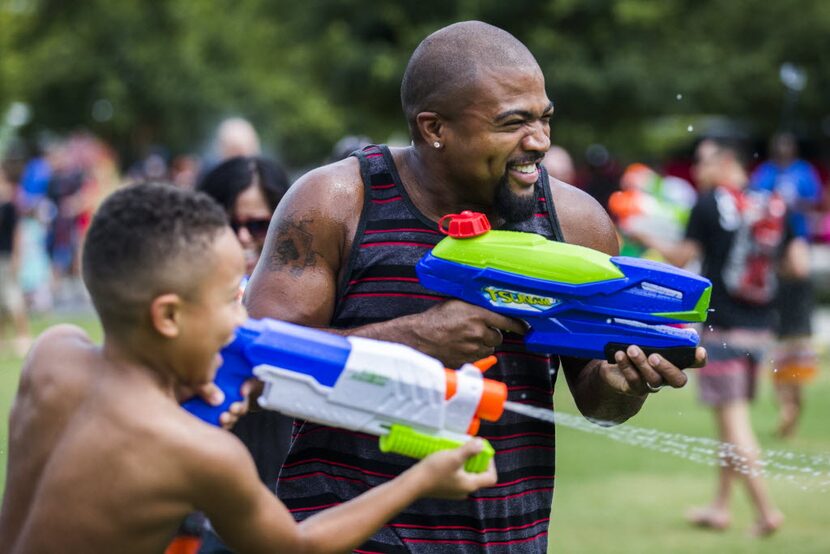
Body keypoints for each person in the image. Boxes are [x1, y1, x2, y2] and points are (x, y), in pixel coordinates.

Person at [243, 21, 703, 553]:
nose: (541, 142)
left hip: (509, 537)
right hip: (350, 536)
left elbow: (598, 401)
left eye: (544, 118)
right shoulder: (336, 202)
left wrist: (626, 385)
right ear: (435, 128)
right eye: (514, 123)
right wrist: (415, 338)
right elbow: (255, 370)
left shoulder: (576, 223)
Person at [0, 182, 496, 554]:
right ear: (168, 316)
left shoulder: (52, 354)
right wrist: (423, 478)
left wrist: (175, 390)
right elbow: (297, 547)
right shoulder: (201, 454)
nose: (244, 316)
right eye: (229, 300)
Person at [635, 137, 806, 536]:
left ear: (724, 163)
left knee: (734, 424)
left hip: (721, 329)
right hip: (760, 330)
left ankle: (766, 512)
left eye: (702, 163)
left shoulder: (709, 202)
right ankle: (720, 507)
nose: (697, 171)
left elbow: (681, 258)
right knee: (730, 424)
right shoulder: (776, 204)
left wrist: (646, 238)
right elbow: (797, 265)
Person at [193, 156, 292, 554]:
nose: (242, 238)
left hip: (289, 488)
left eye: (257, 224)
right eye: (225, 225)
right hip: (207, 502)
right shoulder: (179, 296)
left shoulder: (315, 288)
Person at [750, 132, 821, 438]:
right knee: (782, 360)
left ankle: (791, 411)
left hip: (793, 273)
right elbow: (753, 202)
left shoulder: (803, 173)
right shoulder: (764, 174)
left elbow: (815, 201)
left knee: (795, 357)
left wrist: (793, 202)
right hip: (774, 260)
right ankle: (787, 411)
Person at [0, 165, 31, 355]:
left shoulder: (9, 204)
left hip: (6, 256)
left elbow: (16, 233)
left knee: (12, 299)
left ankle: (23, 335)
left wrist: (17, 256)